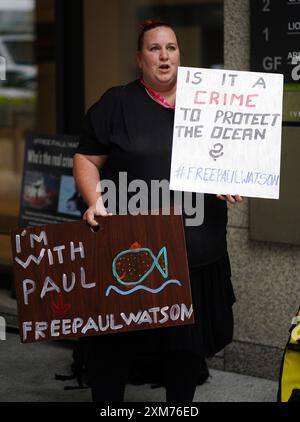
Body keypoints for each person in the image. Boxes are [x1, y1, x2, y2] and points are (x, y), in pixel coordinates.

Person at [73, 19, 242, 403]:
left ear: (180, 55)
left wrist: (233, 180)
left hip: (194, 254)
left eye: (171, 47)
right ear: (139, 58)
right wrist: (94, 199)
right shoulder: (117, 102)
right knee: (114, 350)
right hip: (130, 251)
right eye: (154, 48)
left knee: (184, 355)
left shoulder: (210, 105)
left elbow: (233, 161)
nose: (164, 55)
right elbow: (86, 158)